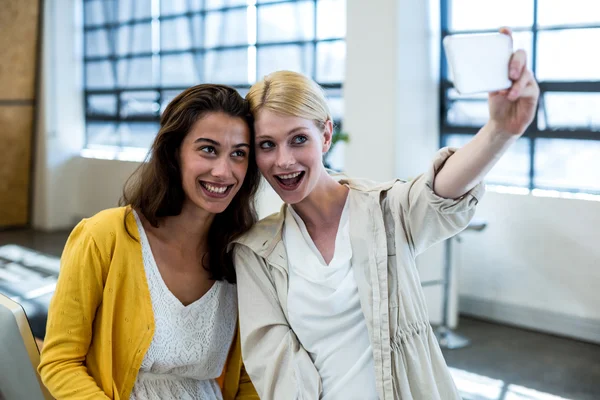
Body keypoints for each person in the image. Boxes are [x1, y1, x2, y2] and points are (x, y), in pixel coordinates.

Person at [232, 29, 539, 399]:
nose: (283, 160)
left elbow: (439, 190)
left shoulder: (384, 209)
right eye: (267, 145)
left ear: (326, 135)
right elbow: (275, 369)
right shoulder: (256, 253)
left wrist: (500, 131)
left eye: (299, 139)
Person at [38, 84, 261, 400]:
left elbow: (249, 380)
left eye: (238, 153)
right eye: (208, 149)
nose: (223, 171)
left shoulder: (245, 254)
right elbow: (60, 362)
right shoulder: (104, 236)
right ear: (173, 152)